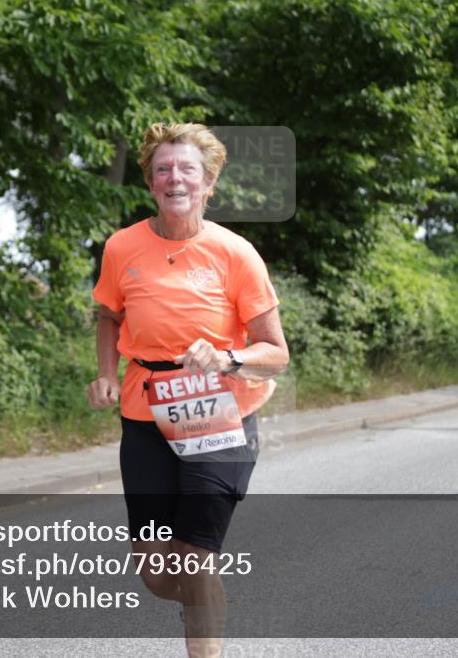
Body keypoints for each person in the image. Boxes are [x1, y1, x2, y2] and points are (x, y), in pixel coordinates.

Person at [87, 122, 289, 656]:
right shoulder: (121, 246)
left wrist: (228, 357)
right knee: (156, 571)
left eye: (186, 169)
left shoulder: (236, 253)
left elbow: (276, 353)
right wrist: (108, 373)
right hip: (145, 413)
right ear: (152, 184)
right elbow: (107, 314)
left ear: (209, 182)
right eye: (162, 169)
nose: (174, 177)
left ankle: (204, 633)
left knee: (195, 557)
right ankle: (207, 603)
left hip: (219, 416)